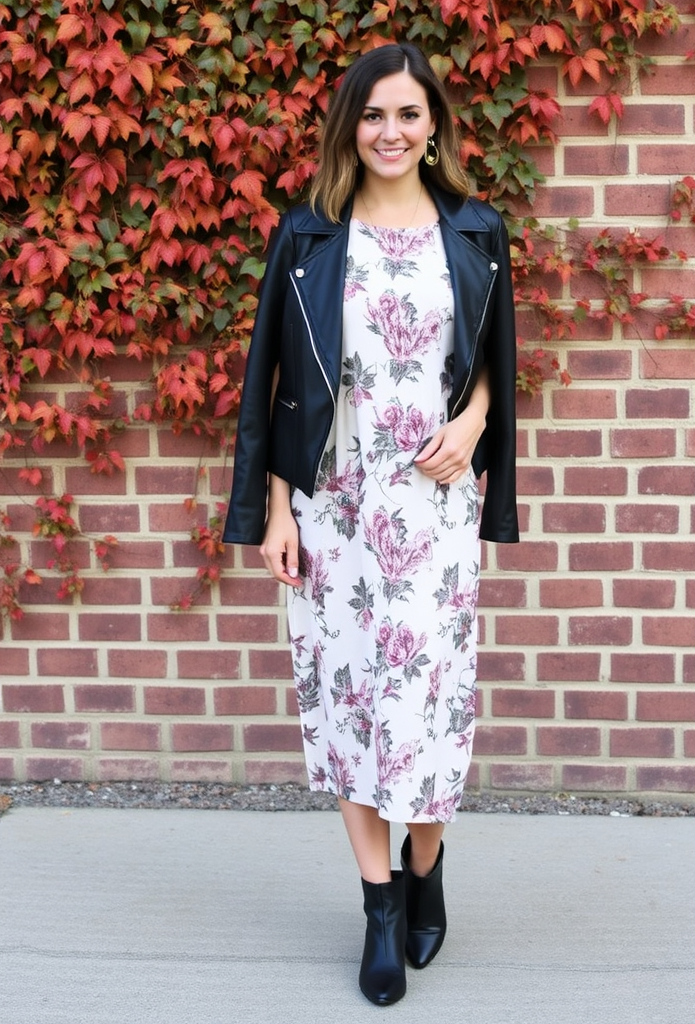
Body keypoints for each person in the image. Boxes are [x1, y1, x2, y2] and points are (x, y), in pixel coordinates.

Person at [223, 42, 519, 1006]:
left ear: (434, 124)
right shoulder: (309, 234)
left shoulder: (475, 231)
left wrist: (473, 424)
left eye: (408, 113)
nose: (391, 132)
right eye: (373, 115)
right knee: (353, 708)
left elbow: (490, 364)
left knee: (428, 710)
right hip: (335, 507)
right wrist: (274, 509)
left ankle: (427, 861)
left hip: (434, 512)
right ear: (351, 127)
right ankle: (381, 907)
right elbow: (271, 379)